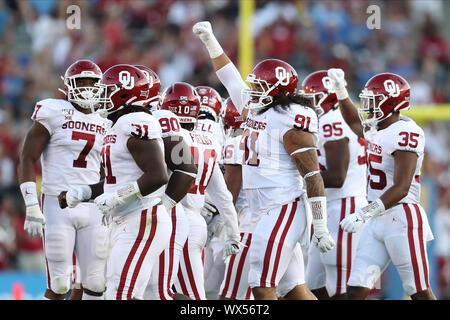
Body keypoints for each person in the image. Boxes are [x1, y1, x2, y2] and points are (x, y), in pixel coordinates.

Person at [193, 21, 335, 300]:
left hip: (281, 207)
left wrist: (320, 225)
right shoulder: (259, 109)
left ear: (276, 91)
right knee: (293, 289)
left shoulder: (290, 117)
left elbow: (312, 175)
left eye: (259, 86)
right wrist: (210, 40)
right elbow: (230, 78)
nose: (252, 90)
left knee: (261, 284)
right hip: (264, 210)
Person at [62, 64, 172, 300]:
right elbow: (118, 180)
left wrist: (115, 198)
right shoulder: (117, 125)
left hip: (143, 217)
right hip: (126, 219)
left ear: (124, 93)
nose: (101, 96)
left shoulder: (135, 121)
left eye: (107, 90)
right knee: (118, 293)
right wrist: (84, 192)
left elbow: (157, 175)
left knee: (121, 294)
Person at [327, 68, 436, 300]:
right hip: (378, 220)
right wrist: (341, 91)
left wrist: (363, 214)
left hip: (402, 218)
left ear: (391, 104)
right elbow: (355, 124)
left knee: (417, 291)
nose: (367, 106)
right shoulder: (379, 127)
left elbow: (402, 187)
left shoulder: (406, 131)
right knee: (356, 288)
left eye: (373, 101)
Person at [17, 60, 109, 300]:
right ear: (69, 85)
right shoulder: (54, 111)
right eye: (82, 82)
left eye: (92, 83)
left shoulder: (107, 121)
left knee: (94, 283)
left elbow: (109, 172)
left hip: (93, 206)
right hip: (57, 203)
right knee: (59, 284)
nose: (87, 88)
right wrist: (31, 206)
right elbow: (27, 158)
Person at [160, 82, 242, 300]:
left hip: (175, 219)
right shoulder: (209, 142)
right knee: (180, 292)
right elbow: (223, 196)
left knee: (174, 293)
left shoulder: (172, 137)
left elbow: (162, 178)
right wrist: (233, 234)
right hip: (196, 221)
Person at [300, 71, 368, 299]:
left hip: (344, 206)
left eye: (311, 98)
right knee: (312, 286)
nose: (306, 103)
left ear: (326, 98)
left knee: (341, 288)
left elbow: (337, 177)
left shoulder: (332, 120)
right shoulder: (331, 119)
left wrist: (299, 179)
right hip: (332, 207)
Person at [134, 65, 198, 300]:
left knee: (158, 292)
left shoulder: (162, 118)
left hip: (161, 210)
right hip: (133, 212)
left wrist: (165, 206)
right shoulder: (121, 120)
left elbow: (187, 166)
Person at [218, 98, 254, 300]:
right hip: (277, 217)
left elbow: (229, 196)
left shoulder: (235, 143)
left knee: (230, 294)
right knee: (289, 289)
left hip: (248, 222)